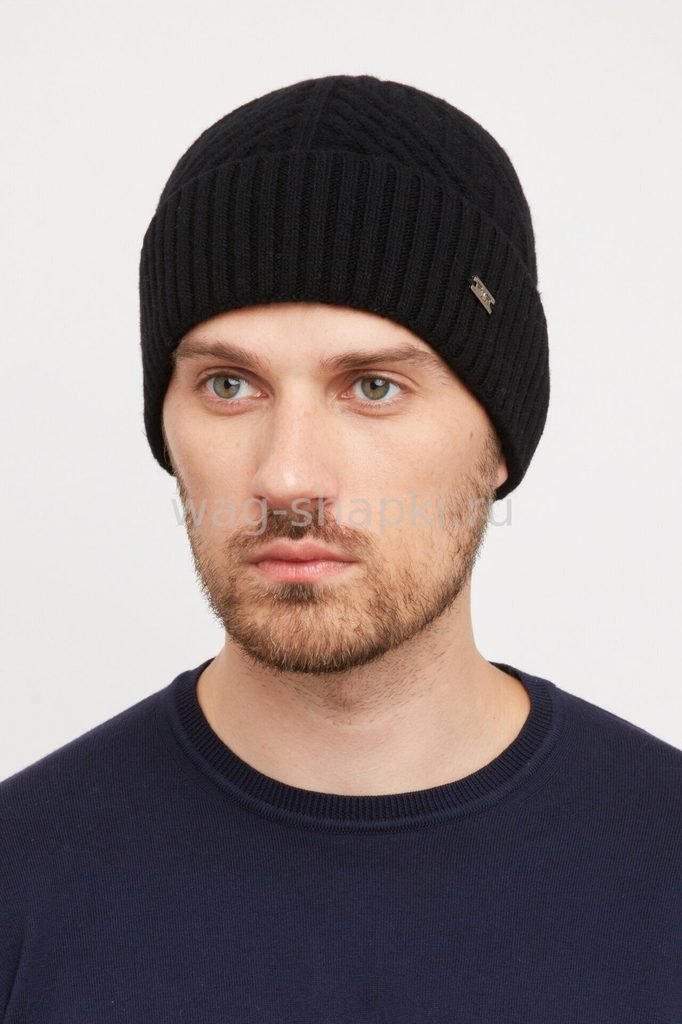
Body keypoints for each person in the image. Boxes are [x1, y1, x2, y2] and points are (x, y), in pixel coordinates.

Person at [1, 74, 680, 1022]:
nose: (286, 478)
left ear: (499, 438)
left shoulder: (661, 868)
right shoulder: (21, 883)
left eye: (372, 388)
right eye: (229, 386)